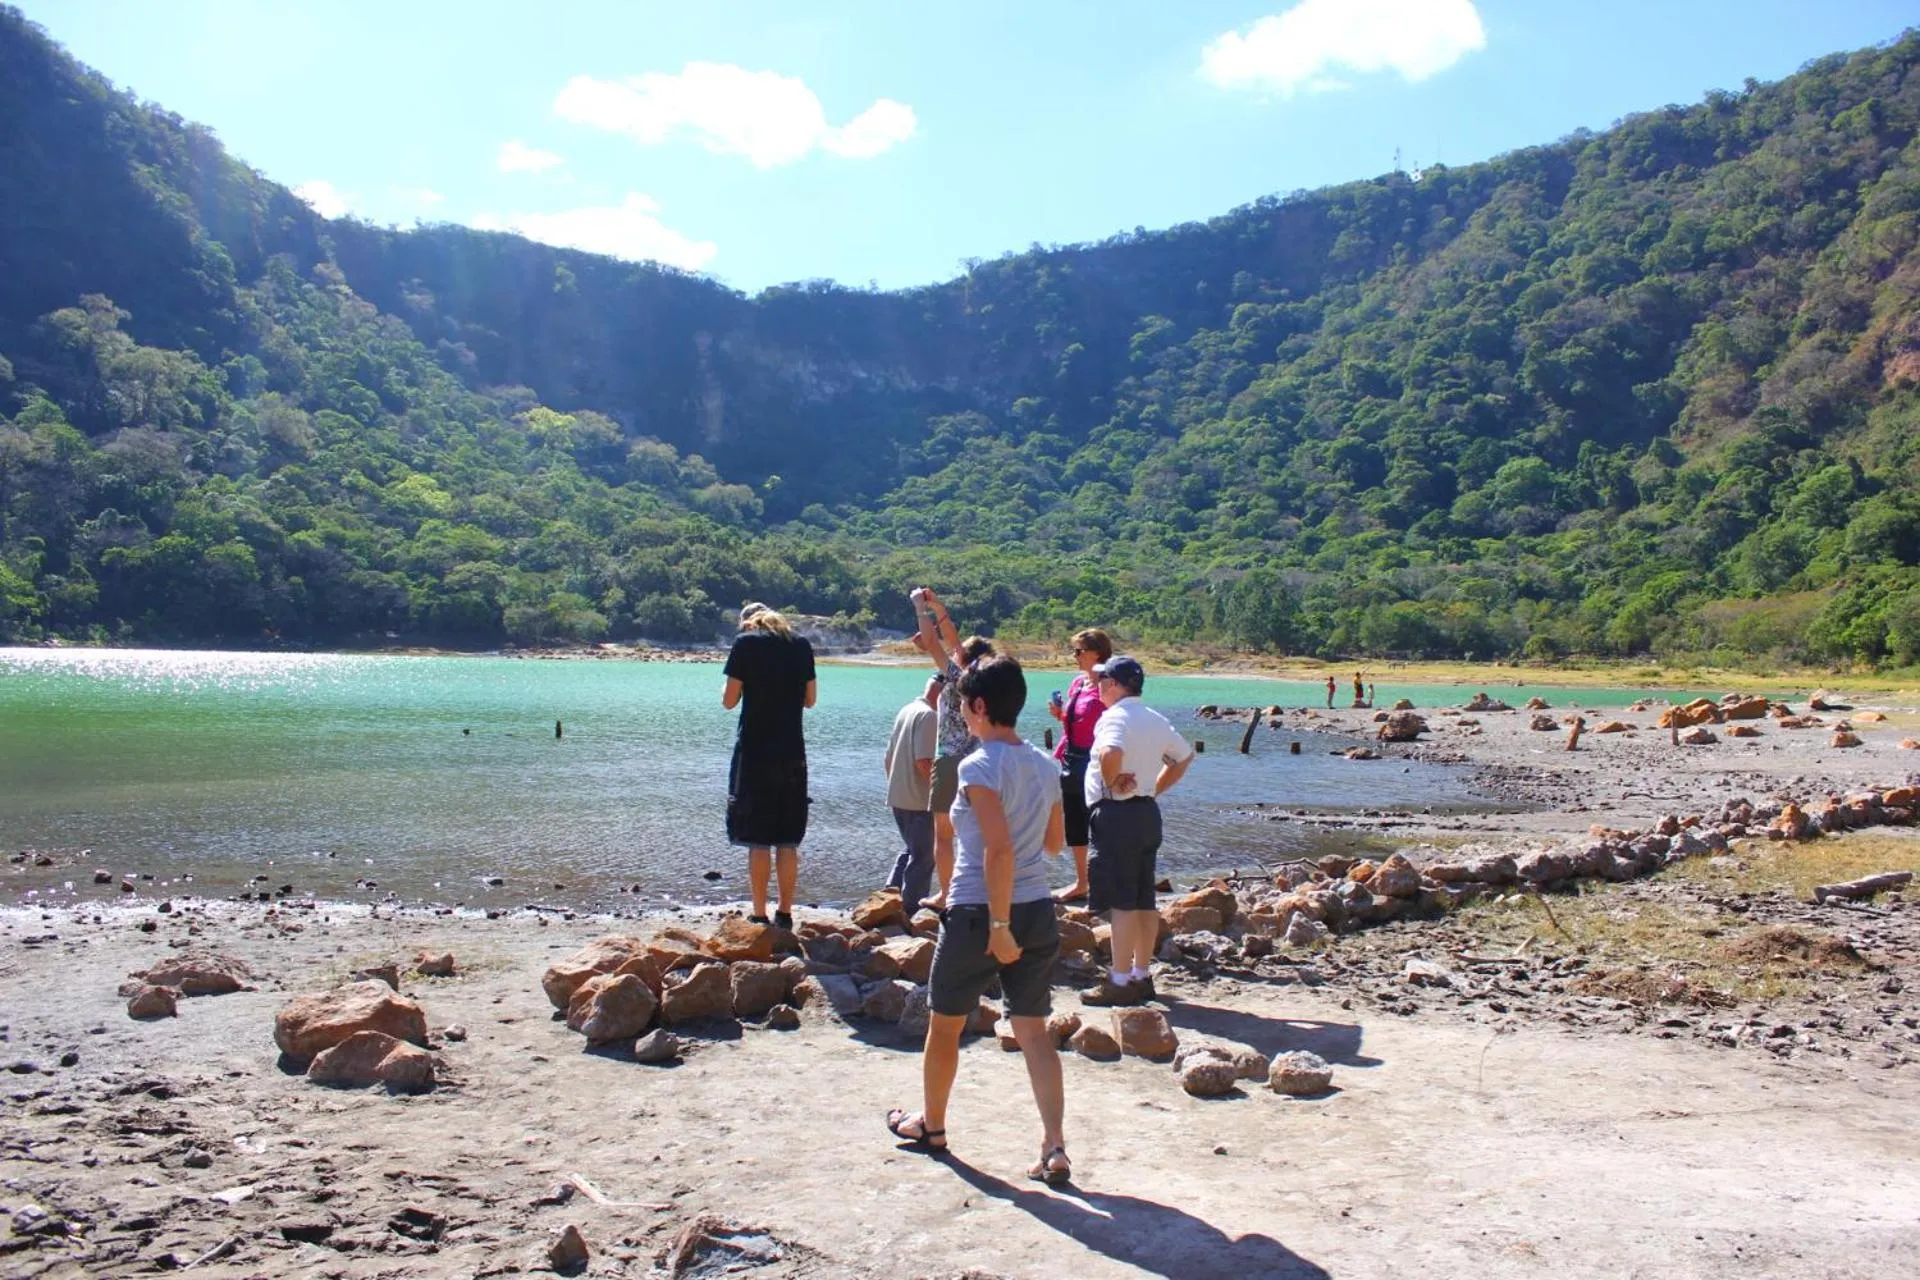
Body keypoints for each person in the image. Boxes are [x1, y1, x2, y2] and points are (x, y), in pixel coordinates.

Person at [884, 655, 1071, 1186]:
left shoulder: (977, 766)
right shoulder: (1046, 765)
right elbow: (1054, 843)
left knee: (944, 1026)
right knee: (1034, 1032)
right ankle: (1054, 1146)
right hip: (1037, 910)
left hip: (979, 914)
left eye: (963, 703)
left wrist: (999, 926)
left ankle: (932, 1127)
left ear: (981, 706)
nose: (961, 712)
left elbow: (998, 849)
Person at [1080, 655, 1195, 1007]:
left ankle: (1119, 980)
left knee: (1122, 902)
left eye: (1102, 680)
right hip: (1146, 813)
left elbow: (1110, 751)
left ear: (1114, 684)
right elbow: (1184, 756)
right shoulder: (1154, 718)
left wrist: (1113, 780)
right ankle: (1141, 975)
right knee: (1144, 899)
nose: (1098, 686)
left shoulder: (1114, 717)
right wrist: (1154, 789)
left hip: (1117, 814)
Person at [721, 603, 816, 931]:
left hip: (755, 753)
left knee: (758, 839)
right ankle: (785, 914)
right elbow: (810, 700)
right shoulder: (800, 645)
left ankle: (759, 914)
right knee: (787, 839)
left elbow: (728, 701)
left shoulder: (745, 644)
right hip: (792, 752)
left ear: (748, 623)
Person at [910, 586, 994, 910]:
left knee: (944, 835)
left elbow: (934, 643)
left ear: (963, 657)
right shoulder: (986, 681)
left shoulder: (957, 677)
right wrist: (940, 607)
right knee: (978, 832)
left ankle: (947, 895)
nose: (954, 650)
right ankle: (982, 892)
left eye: (959, 650)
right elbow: (952, 641)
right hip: (981, 762)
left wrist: (920, 607)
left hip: (949, 761)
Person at [1047, 627, 1112, 902]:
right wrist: (1060, 714)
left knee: (1100, 822)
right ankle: (1082, 882)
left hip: (1096, 759)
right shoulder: (1078, 683)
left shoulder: (1110, 683)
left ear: (1096, 653)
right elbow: (1076, 721)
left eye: (1078, 651)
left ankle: (1104, 882)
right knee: (1074, 820)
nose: (1074, 656)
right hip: (1071, 757)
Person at [883, 674, 941, 914]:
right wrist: (942, 796)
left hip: (899, 797)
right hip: (919, 801)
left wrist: (895, 786)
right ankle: (911, 911)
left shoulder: (906, 710)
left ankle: (888, 898)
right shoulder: (929, 716)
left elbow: (887, 758)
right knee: (924, 857)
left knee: (912, 849)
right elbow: (924, 762)